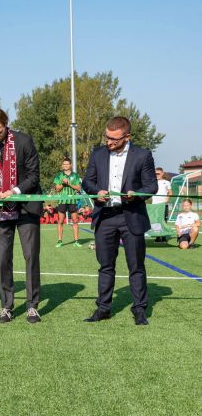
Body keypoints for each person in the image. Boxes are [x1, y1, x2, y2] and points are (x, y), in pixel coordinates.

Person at [82, 116, 157, 325]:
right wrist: (97, 191)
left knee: (136, 266)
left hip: (131, 216)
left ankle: (140, 309)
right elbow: (87, 181)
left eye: (114, 139)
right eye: (107, 137)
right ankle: (103, 308)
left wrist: (137, 193)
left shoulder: (142, 155)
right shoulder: (98, 154)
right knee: (105, 266)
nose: (109, 142)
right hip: (105, 217)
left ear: (127, 136)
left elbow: (152, 187)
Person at [0, 108, 43, 324]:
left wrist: (15, 191)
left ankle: (32, 306)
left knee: (30, 256)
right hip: (0, 209)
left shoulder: (24, 141)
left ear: (6, 125)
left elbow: (34, 175)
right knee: (4, 258)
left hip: (26, 207)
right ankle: (6, 306)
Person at [54, 157, 83, 248]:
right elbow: (57, 189)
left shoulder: (75, 175)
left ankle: (76, 241)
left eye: (67, 164)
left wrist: (69, 183)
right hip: (62, 200)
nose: (66, 166)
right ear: (62, 166)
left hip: (72, 200)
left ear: (70, 165)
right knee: (61, 220)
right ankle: (59, 241)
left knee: (75, 220)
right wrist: (63, 184)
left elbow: (79, 188)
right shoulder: (59, 176)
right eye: (64, 164)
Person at [153, 167, 172, 242]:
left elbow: (170, 192)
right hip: (154, 205)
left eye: (158, 173)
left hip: (163, 205)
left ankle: (163, 237)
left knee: (163, 220)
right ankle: (157, 237)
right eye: (155, 174)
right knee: (156, 220)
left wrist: (167, 198)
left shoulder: (166, 182)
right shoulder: (152, 182)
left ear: (162, 173)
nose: (157, 175)